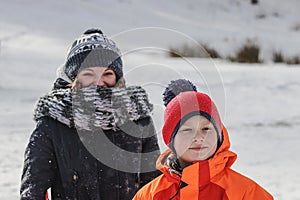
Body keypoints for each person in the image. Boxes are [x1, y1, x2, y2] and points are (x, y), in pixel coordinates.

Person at [20, 28, 161, 200]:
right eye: (88, 74)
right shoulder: (52, 121)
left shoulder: (138, 120)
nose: (98, 82)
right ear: (74, 78)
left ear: (118, 78)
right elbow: (33, 189)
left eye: (107, 73)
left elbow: (154, 186)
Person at [133, 79, 273, 200]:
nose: (199, 138)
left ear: (219, 136)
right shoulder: (150, 195)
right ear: (171, 140)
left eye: (206, 129)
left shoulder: (246, 193)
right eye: (187, 130)